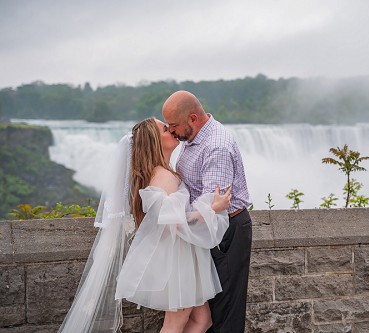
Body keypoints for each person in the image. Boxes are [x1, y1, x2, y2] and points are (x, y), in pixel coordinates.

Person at [58, 117, 231, 333]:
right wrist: (211, 209)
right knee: (176, 322)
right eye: (166, 130)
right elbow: (173, 223)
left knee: (202, 319)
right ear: (155, 142)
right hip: (177, 259)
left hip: (182, 254)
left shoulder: (163, 172)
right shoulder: (162, 176)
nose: (172, 131)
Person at [162, 91, 252, 333]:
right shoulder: (193, 138)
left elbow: (211, 208)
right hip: (204, 232)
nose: (171, 131)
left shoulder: (216, 147)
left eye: (174, 126)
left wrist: (173, 217)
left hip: (225, 232)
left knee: (225, 311)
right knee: (209, 310)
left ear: (193, 118)